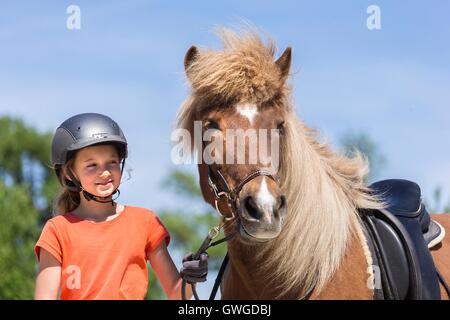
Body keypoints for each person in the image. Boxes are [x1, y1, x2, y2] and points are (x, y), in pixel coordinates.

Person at [34, 113, 207, 300]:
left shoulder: (145, 222)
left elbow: (176, 294)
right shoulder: (57, 230)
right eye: (92, 165)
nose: (105, 172)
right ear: (69, 173)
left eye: (112, 162)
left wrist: (191, 278)